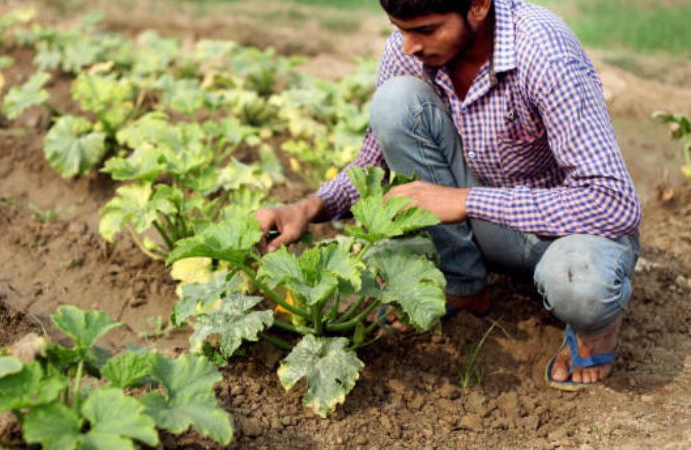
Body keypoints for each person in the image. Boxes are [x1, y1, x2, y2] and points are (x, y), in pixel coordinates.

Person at [255, 0, 642, 390]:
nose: (408, 45)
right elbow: (373, 166)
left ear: (477, 6)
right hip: (494, 227)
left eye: (426, 30)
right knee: (394, 102)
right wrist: (309, 207)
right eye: (399, 28)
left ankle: (597, 330)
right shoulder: (410, 50)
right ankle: (464, 285)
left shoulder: (543, 50)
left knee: (582, 290)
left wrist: (463, 202)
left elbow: (613, 203)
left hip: (572, 234)